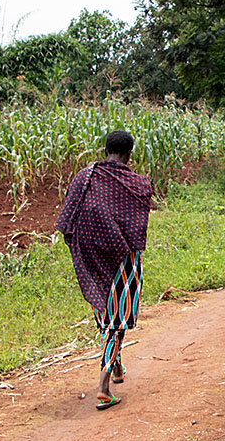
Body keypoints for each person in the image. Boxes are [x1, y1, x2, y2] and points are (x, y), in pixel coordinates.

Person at [55, 130, 153, 410]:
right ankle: (103, 387)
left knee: (107, 314)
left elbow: (69, 218)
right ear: (129, 153)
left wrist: (88, 248)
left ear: (105, 149)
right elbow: (137, 225)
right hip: (124, 261)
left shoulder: (83, 177)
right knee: (116, 322)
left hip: (93, 259)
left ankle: (118, 367)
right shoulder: (136, 183)